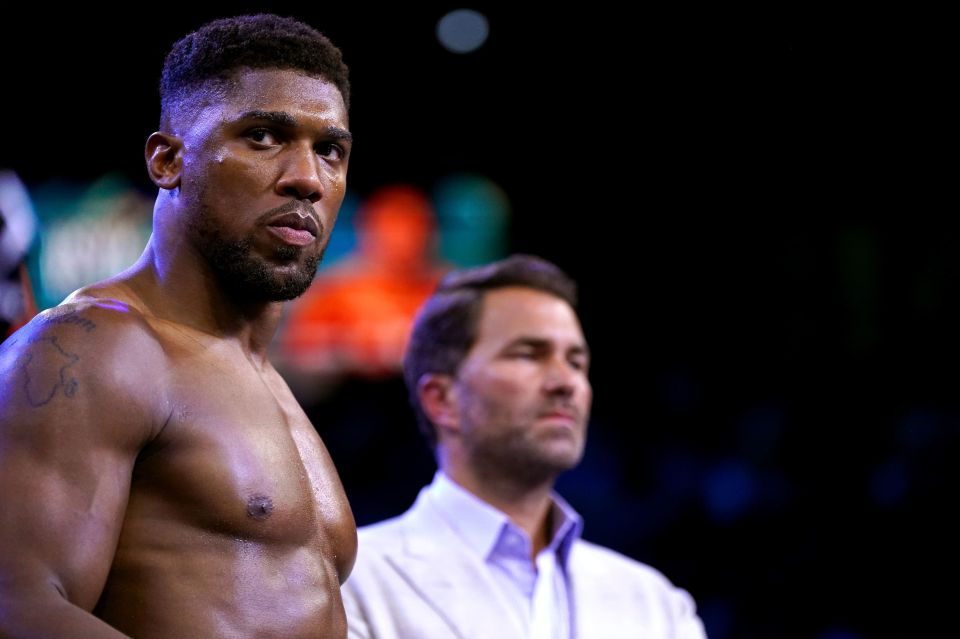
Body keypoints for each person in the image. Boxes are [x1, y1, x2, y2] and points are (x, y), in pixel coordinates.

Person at [0, 14, 356, 638]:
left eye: (330, 150)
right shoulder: (91, 350)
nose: (307, 177)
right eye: (265, 136)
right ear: (168, 160)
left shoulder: (263, 382)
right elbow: (19, 606)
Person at [342, 254, 707, 639]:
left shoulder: (657, 605)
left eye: (576, 362)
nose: (565, 382)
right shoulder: (353, 584)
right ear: (442, 400)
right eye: (528, 354)